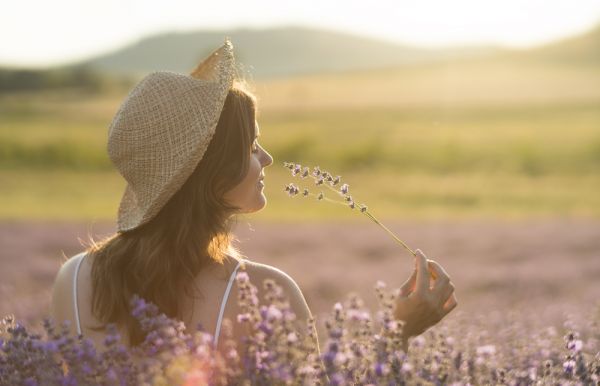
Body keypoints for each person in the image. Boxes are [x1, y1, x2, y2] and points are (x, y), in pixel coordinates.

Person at [49, 40, 457, 357]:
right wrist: (400, 332)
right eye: (251, 145)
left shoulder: (73, 279)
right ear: (212, 171)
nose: (268, 158)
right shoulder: (263, 294)